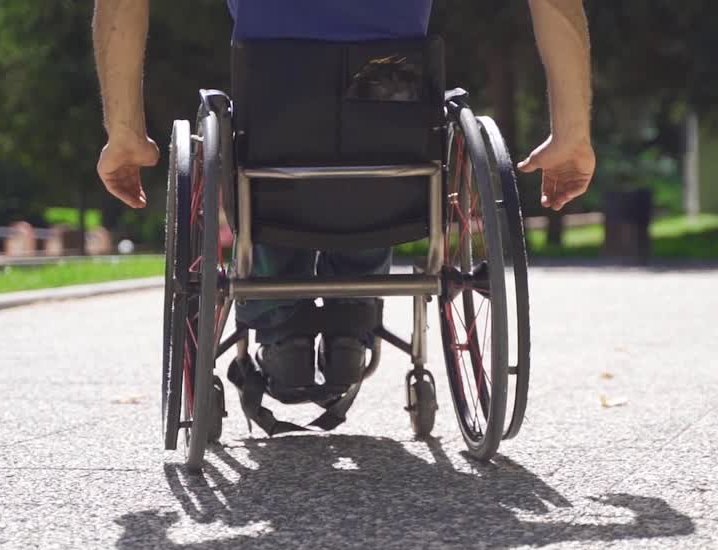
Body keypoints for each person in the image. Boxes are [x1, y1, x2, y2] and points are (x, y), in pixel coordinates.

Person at [94, 0, 595, 393]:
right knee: (382, 126)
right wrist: (572, 132)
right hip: (391, 104)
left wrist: (124, 132)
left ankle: (280, 327)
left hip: (275, 112)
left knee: (270, 149)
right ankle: (351, 322)